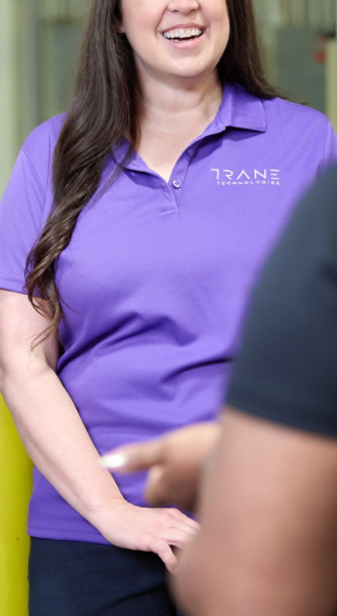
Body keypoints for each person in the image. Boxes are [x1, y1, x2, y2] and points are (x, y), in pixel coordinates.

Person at [0, 0, 337, 616]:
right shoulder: (53, 154)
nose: (184, 2)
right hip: (91, 529)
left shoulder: (305, 142)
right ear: (116, 14)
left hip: (271, 515)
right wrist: (112, 512)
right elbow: (21, 359)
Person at [111, 165, 337, 615]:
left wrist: (234, 468)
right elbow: (20, 354)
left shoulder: (317, 175)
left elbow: (252, 594)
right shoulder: (51, 148)